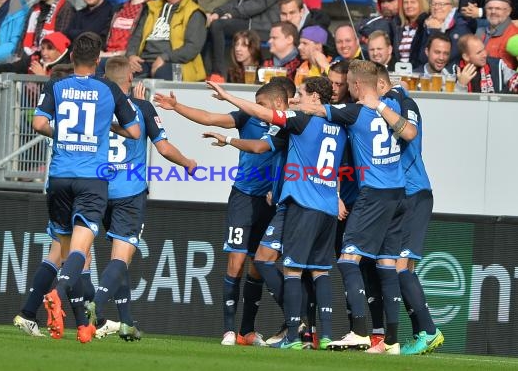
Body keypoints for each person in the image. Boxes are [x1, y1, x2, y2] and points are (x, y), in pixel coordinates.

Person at [205, 77, 345, 351]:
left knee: (287, 268)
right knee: (317, 270)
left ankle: (294, 333)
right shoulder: (340, 124)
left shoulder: (300, 121)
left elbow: (262, 116)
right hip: (327, 204)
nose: (296, 99)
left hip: (301, 203)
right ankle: (321, 335)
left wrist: (228, 97)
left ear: (315, 98)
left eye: (301, 94)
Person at [290, 60, 417, 354]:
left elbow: (316, 109)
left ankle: (359, 332)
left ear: (357, 85)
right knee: (387, 265)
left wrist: (295, 102)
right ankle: (392, 341)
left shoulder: (355, 111)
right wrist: (380, 105)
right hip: (398, 193)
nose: (345, 87)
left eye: (348, 83)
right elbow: (409, 133)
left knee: (348, 259)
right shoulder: (389, 105)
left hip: (374, 194)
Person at [153, 84, 283, 347]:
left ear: (279, 103)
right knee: (235, 262)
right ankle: (227, 330)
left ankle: (247, 331)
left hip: (272, 201)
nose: (256, 109)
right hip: (244, 199)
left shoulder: (291, 123)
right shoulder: (247, 116)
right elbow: (210, 118)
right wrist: (176, 107)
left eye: (261, 104)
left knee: (258, 268)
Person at [32, 32, 141, 343]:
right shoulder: (107, 88)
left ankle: (83, 326)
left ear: (70, 58)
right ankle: (58, 292)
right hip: (92, 177)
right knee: (82, 250)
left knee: (67, 251)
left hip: (59, 176)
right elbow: (133, 131)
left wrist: (64, 135)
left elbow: (39, 124)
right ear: (98, 61)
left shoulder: (56, 85)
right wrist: (105, 126)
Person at [87, 56, 196, 341]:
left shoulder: (96, 108)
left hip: (97, 188)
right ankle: (95, 306)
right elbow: (164, 148)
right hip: (129, 192)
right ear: (131, 81)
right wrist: (187, 163)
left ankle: (126, 322)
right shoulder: (143, 107)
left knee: (111, 257)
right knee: (121, 258)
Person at [374, 63, 445, 355]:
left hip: (413, 192)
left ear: (378, 86)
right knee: (402, 268)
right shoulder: (405, 100)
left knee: (401, 267)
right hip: (410, 193)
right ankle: (422, 333)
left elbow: (408, 135)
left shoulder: (393, 102)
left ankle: (428, 330)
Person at [204, 0, 287, 82]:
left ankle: (217, 74)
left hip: (261, 25)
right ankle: (205, 74)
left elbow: (258, 3)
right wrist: (218, 12)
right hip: (244, 20)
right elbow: (236, 1)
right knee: (208, 25)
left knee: (218, 25)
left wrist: (231, 14)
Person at [125, 0, 207, 81]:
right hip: (144, 60)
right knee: (120, 71)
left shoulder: (194, 13)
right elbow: (136, 36)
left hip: (176, 62)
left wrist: (165, 57)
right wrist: (131, 55)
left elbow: (192, 48)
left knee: (162, 73)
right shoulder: (151, 7)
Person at [421, 0, 471, 64]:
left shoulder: (461, 27)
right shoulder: (427, 24)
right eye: (433, 4)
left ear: (452, 7)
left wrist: (435, 32)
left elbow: (444, 59)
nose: (436, 7)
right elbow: (421, 57)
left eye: (441, 4)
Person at [475, 0, 518, 70]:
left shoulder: (514, 34)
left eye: (498, 8)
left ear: (508, 11)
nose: (493, 12)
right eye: (489, 8)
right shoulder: (480, 32)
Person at [394, 0, 429, 68]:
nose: (409, 6)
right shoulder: (399, 27)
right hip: (400, 74)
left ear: (421, 3)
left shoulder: (426, 26)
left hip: (418, 73)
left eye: (413, 2)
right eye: (406, 3)